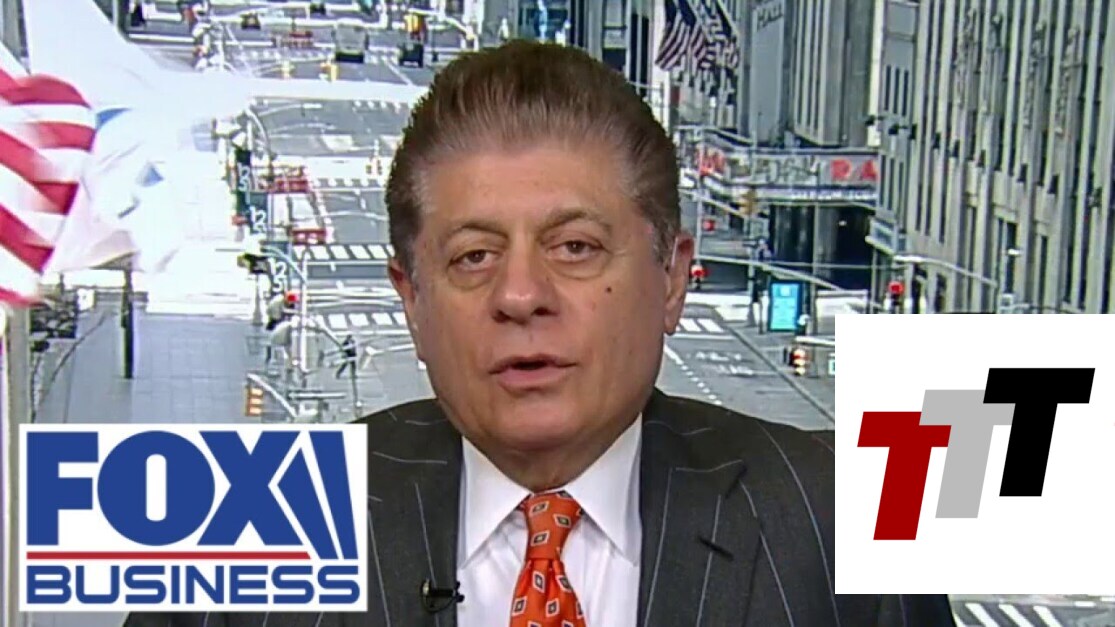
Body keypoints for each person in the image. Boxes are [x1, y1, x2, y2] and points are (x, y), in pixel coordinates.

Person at [125, 41, 954, 626]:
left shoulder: (842, 525)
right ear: (411, 299)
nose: (520, 295)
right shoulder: (235, 535)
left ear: (671, 278)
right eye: (473, 256)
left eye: (575, 247)